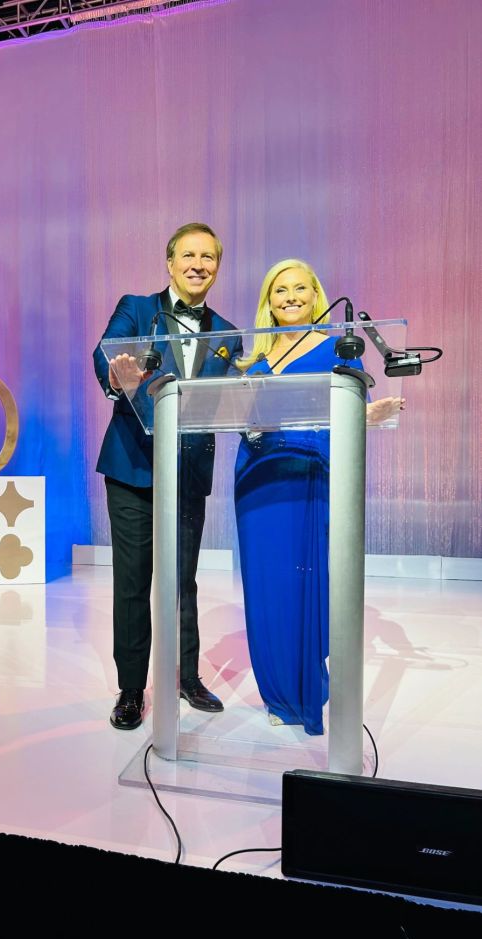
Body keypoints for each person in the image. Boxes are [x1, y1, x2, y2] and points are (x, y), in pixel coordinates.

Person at [234, 259, 404, 735]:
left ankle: (307, 687)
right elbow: (241, 418)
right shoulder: (254, 359)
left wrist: (366, 416)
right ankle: (278, 690)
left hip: (311, 474)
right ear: (268, 302)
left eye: (299, 289)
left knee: (306, 579)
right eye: (279, 291)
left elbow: (346, 412)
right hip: (258, 477)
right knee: (266, 584)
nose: (289, 297)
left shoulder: (339, 350)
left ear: (315, 295)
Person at [93, 223, 242, 729]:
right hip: (133, 468)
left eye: (209, 257)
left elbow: (229, 397)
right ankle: (131, 690)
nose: (198, 264)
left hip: (187, 471)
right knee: (133, 583)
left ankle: (186, 676)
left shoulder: (228, 332)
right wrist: (120, 373)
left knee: (182, 582)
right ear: (170, 262)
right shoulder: (138, 307)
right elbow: (106, 353)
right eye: (189, 255)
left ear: (217, 266)